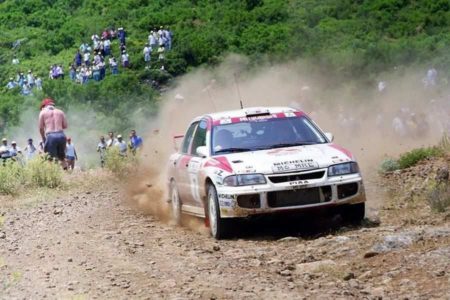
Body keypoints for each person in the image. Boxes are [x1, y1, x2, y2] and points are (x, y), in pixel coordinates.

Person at [38, 98, 68, 169]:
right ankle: (67, 175)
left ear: (44, 106)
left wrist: (43, 138)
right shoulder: (60, 112)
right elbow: (65, 126)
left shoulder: (43, 112)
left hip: (51, 136)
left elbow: (41, 128)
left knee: (50, 159)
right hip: (61, 135)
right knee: (62, 158)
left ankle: (53, 176)